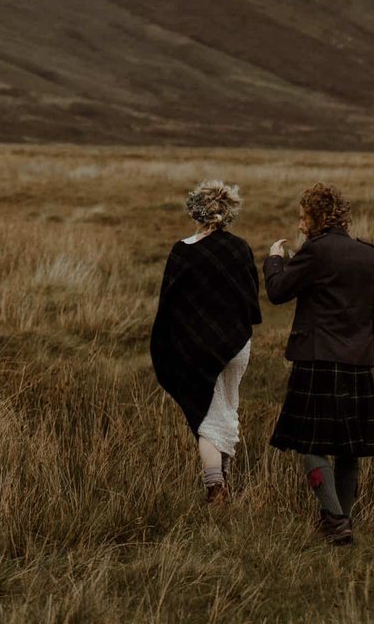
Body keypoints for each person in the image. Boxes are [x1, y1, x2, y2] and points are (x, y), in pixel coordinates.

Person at [264, 182, 374, 544]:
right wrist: (361, 343)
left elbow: (277, 292)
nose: (300, 222)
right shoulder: (367, 254)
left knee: (312, 444)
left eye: (303, 215)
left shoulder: (315, 252)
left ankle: (336, 521)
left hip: (317, 360)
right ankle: (340, 520)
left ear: (318, 217)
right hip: (355, 362)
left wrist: (275, 259)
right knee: (350, 449)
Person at [150, 179, 262, 505]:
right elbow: (251, 299)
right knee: (226, 408)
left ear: (195, 212)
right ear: (227, 214)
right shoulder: (240, 248)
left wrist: (170, 346)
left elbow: (169, 305)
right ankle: (225, 480)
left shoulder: (181, 251)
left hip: (195, 349)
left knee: (206, 417)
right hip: (236, 344)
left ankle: (215, 488)